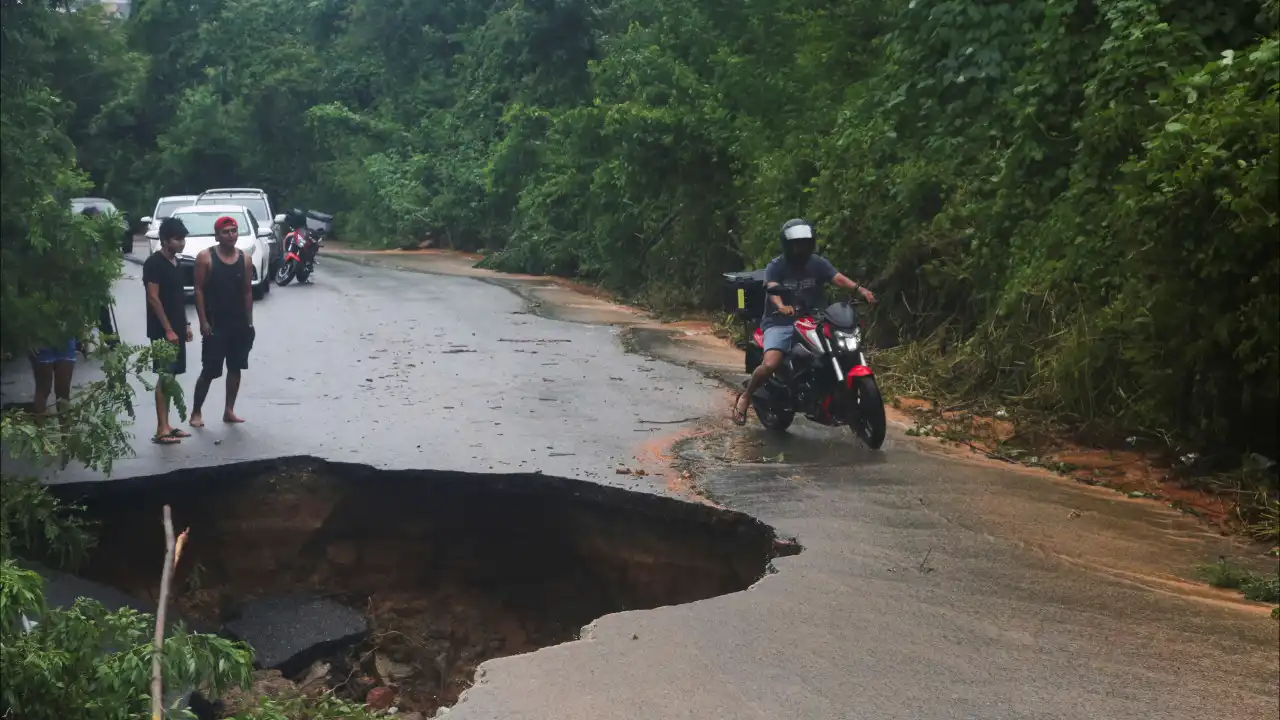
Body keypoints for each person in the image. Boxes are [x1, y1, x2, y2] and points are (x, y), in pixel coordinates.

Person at [733, 218, 876, 425]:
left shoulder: (817, 263)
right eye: (796, 244)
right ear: (787, 245)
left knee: (840, 346)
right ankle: (746, 396)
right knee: (770, 363)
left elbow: (837, 278)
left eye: (805, 243)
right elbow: (771, 287)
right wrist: (781, 306)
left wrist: (859, 290)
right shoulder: (777, 265)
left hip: (814, 318)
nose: (801, 248)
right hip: (780, 321)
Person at [191, 215, 255, 427]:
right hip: (215, 321)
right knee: (209, 369)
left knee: (235, 367)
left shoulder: (244, 259)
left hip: (237, 322)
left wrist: (249, 321)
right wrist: (203, 321)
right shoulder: (205, 258)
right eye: (226, 232)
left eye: (234, 231)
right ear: (217, 235)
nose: (231, 235)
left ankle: (229, 410)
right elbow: (198, 290)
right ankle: (196, 412)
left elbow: (247, 291)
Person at [144, 217, 193, 444]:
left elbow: (178, 299)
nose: (181, 243)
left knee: (172, 378)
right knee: (164, 377)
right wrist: (168, 329)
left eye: (183, 239)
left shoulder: (177, 263)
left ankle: (168, 424)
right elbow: (153, 299)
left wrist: (185, 325)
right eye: (177, 239)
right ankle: (160, 428)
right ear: (165, 240)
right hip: (162, 331)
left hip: (177, 329)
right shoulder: (154, 263)